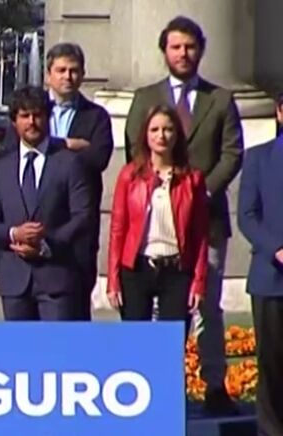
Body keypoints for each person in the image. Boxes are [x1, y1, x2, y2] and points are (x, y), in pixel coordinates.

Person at [124, 16, 243, 415]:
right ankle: (153, 387)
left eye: (190, 46)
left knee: (207, 305)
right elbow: (134, 151)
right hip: (156, 225)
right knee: (160, 309)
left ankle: (214, 386)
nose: (183, 53)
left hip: (207, 220)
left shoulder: (220, 99)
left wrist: (199, 192)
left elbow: (232, 153)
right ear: (164, 51)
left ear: (201, 50)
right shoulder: (145, 98)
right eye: (176, 47)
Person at [0, 86, 91, 320]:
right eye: (25, 115)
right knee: (20, 345)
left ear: (47, 117)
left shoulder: (69, 163)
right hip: (15, 282)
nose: (32, 122)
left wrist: (46, 245)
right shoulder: (2, 168)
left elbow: (82, 216)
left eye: (38, 115)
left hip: (57, 278)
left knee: (56, 344)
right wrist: (14, 234)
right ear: (14, 122)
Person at [108, 105, 208, 336]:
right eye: (154, 130)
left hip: (176, 269)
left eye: (168, 129)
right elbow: (118, 229)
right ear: (145, 134)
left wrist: (199, 281)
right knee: (136, 344)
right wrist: (113, 279)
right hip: (137, 268)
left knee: (171, 344)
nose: (161, 136)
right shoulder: (129, 175)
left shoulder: (192, 179)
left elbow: (200, 234)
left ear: (177, 134)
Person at [44, 43, 114, 320]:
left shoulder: (96, 116)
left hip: (79, 225)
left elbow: (98, 158)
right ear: (48, 75)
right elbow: (15, 154)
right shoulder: (31, 112)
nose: (67, 77)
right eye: (61, 70)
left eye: (74, 71)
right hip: (38, 218)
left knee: (75, 310)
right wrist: (69, 145)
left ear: (83, 74)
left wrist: (50, 147)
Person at [237, 94, 283, 435]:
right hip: (271, 276)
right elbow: (247, 215)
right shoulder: (258, 157)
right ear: (280, 112)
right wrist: (276, 249)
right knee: (272, 363)